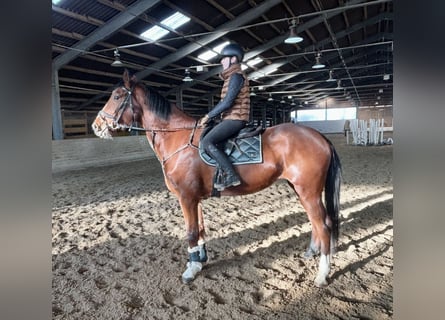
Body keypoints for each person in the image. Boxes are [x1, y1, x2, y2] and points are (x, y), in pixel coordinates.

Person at [199, 43, 250, 191]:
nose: (221, 61)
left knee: (208, 141)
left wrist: (208, 116)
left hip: (235, 118)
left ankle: (231, 175)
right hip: (231, 117)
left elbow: (227, 102)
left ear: (233, 59)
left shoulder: (236, 76)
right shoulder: (231, 77)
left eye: (224, 58)